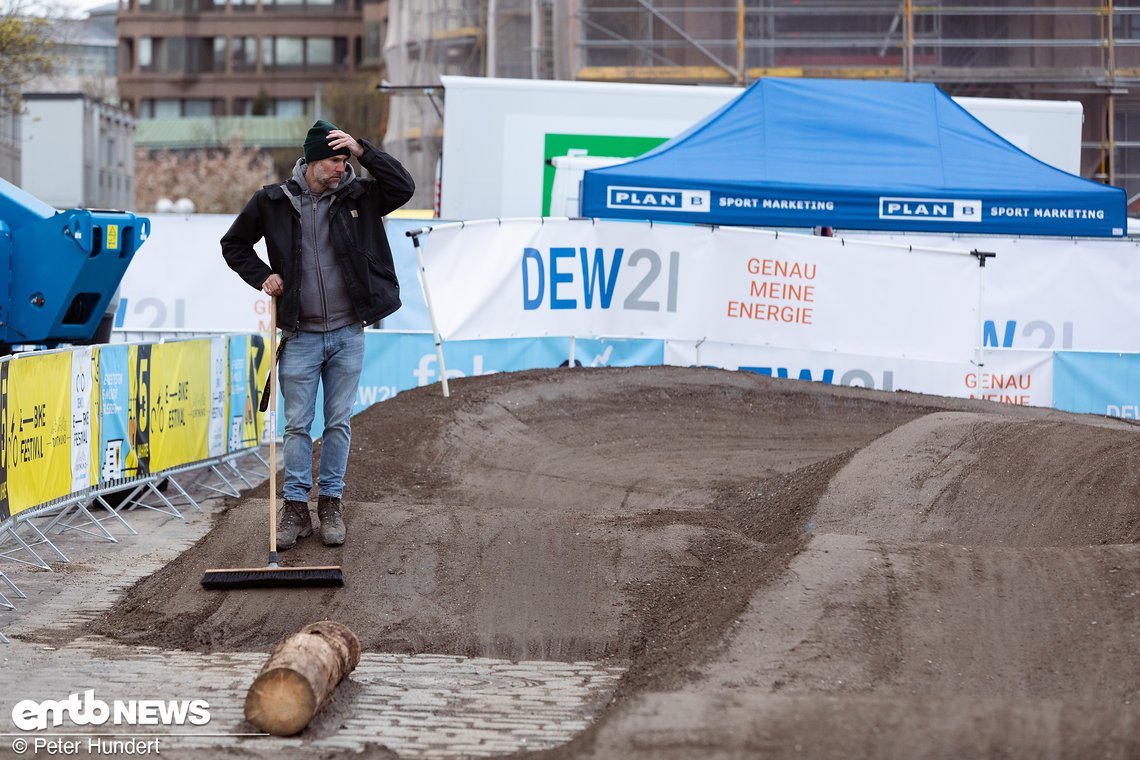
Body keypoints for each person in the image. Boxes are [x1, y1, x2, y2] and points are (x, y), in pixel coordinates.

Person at [221, 119, 414, 549]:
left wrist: (363, 150)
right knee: (296, 426)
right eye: (333, 160)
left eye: (345, 160)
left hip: (348, 331)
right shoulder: (273, 201)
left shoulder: (362, 194)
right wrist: (263, 276)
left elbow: (403, 187)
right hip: (301, 334)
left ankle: (330, 503)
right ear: (310, 160)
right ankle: (294, 508)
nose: (341, 168)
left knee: (339, 423)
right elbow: (233, 245)